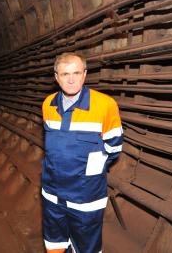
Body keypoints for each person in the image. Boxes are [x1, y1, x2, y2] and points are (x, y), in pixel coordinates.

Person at [41, 52, 123, 253]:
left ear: (85, 74)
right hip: (52, 195)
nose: (71, 79)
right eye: (65, 74)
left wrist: (87, 170)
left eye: (76, 73)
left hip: (85, 198)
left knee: (86, 248)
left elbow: (113, 149)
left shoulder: (105, 105)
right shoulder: (48, 104)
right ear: (56, 77)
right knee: (55, 245)